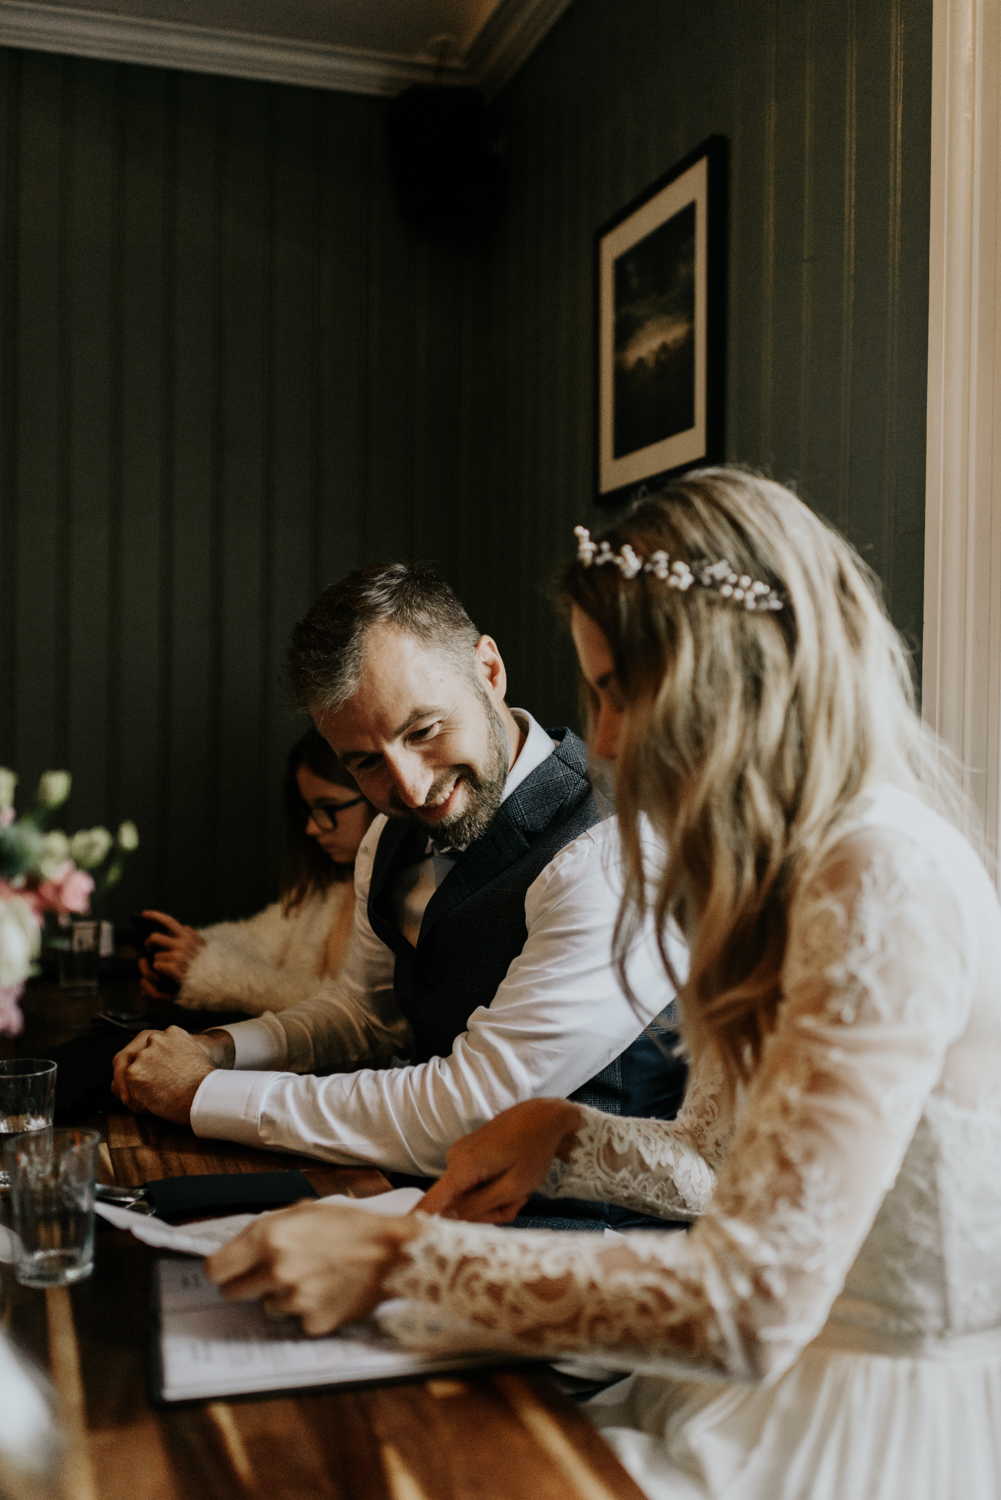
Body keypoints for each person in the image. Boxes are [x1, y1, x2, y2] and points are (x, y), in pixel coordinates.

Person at [205, 470, 1001, 1500]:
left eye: (622, 689)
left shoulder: (879, 872)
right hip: (742, 1387)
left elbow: (752, 1304)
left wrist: (394, 1266)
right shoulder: (781, 870)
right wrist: (562, 1135)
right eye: (597, 696)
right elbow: (715, 1172)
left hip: (859, 1419)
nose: (609, 737)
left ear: (735, 671)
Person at [112, 563, 687, 1228]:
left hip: (587, 1237)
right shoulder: (388, 838)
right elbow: (364, 1013)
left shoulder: (610, 853)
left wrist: (205, 1095)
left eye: (422, 731)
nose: (410, 789)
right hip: (424, 1198)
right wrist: (219, 1048)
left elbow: (473, 1106)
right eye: (365, 762)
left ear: (489, 671)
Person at [138, 729, 376, 1015]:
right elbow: (253, 939)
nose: (311, 828)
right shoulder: (329, 890)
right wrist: (178, 960)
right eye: (309, 810)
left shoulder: (403, 901)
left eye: (328, 807)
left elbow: (359, 1011)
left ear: (376, 798)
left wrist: (207, 972)